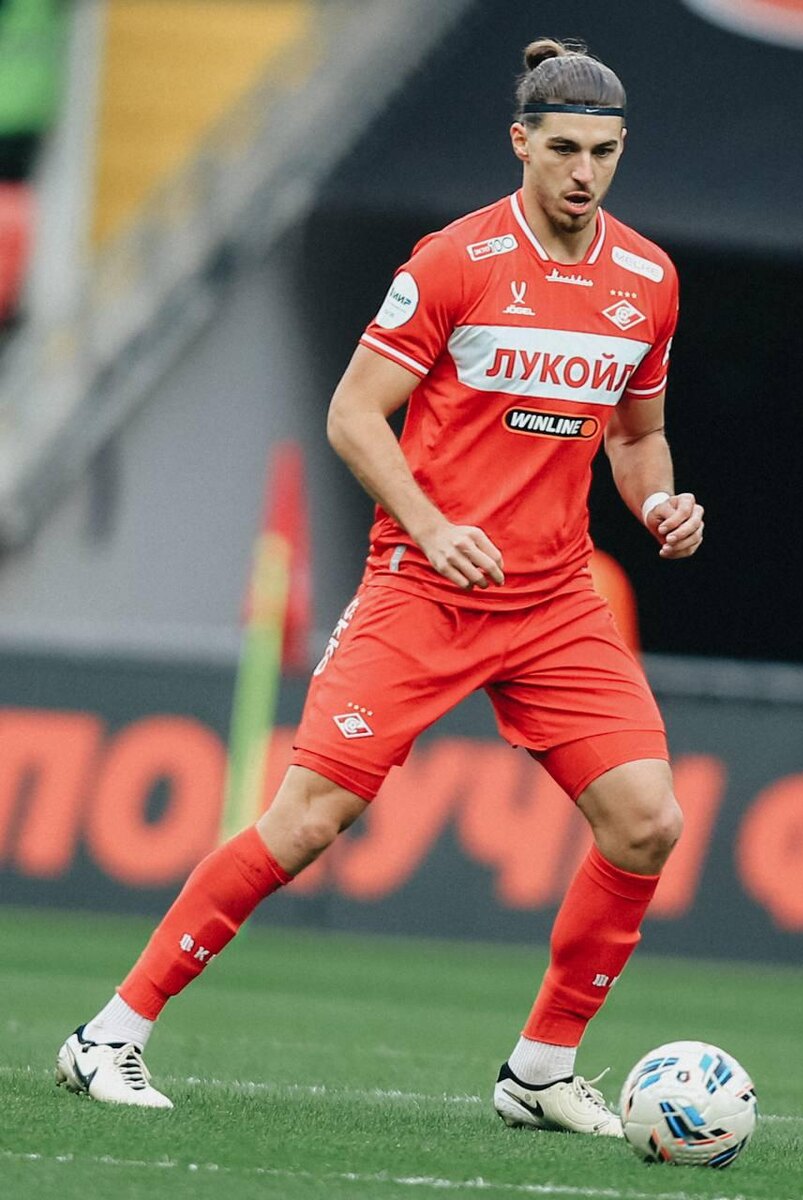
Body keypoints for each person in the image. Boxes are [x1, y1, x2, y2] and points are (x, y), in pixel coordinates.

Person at [55, 37, 704, 1135]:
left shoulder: (648, 281)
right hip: (425, 585)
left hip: (553, 601)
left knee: (647, 822)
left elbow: (637, 439)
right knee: (310, 820)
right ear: (520, 143)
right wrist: (433, 526)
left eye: (603, 152)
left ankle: (540, 1071)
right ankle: (108, 1034)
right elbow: (354, 414)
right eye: (563, 150)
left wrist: (659, 505)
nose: (584, 172)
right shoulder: (455, 261)